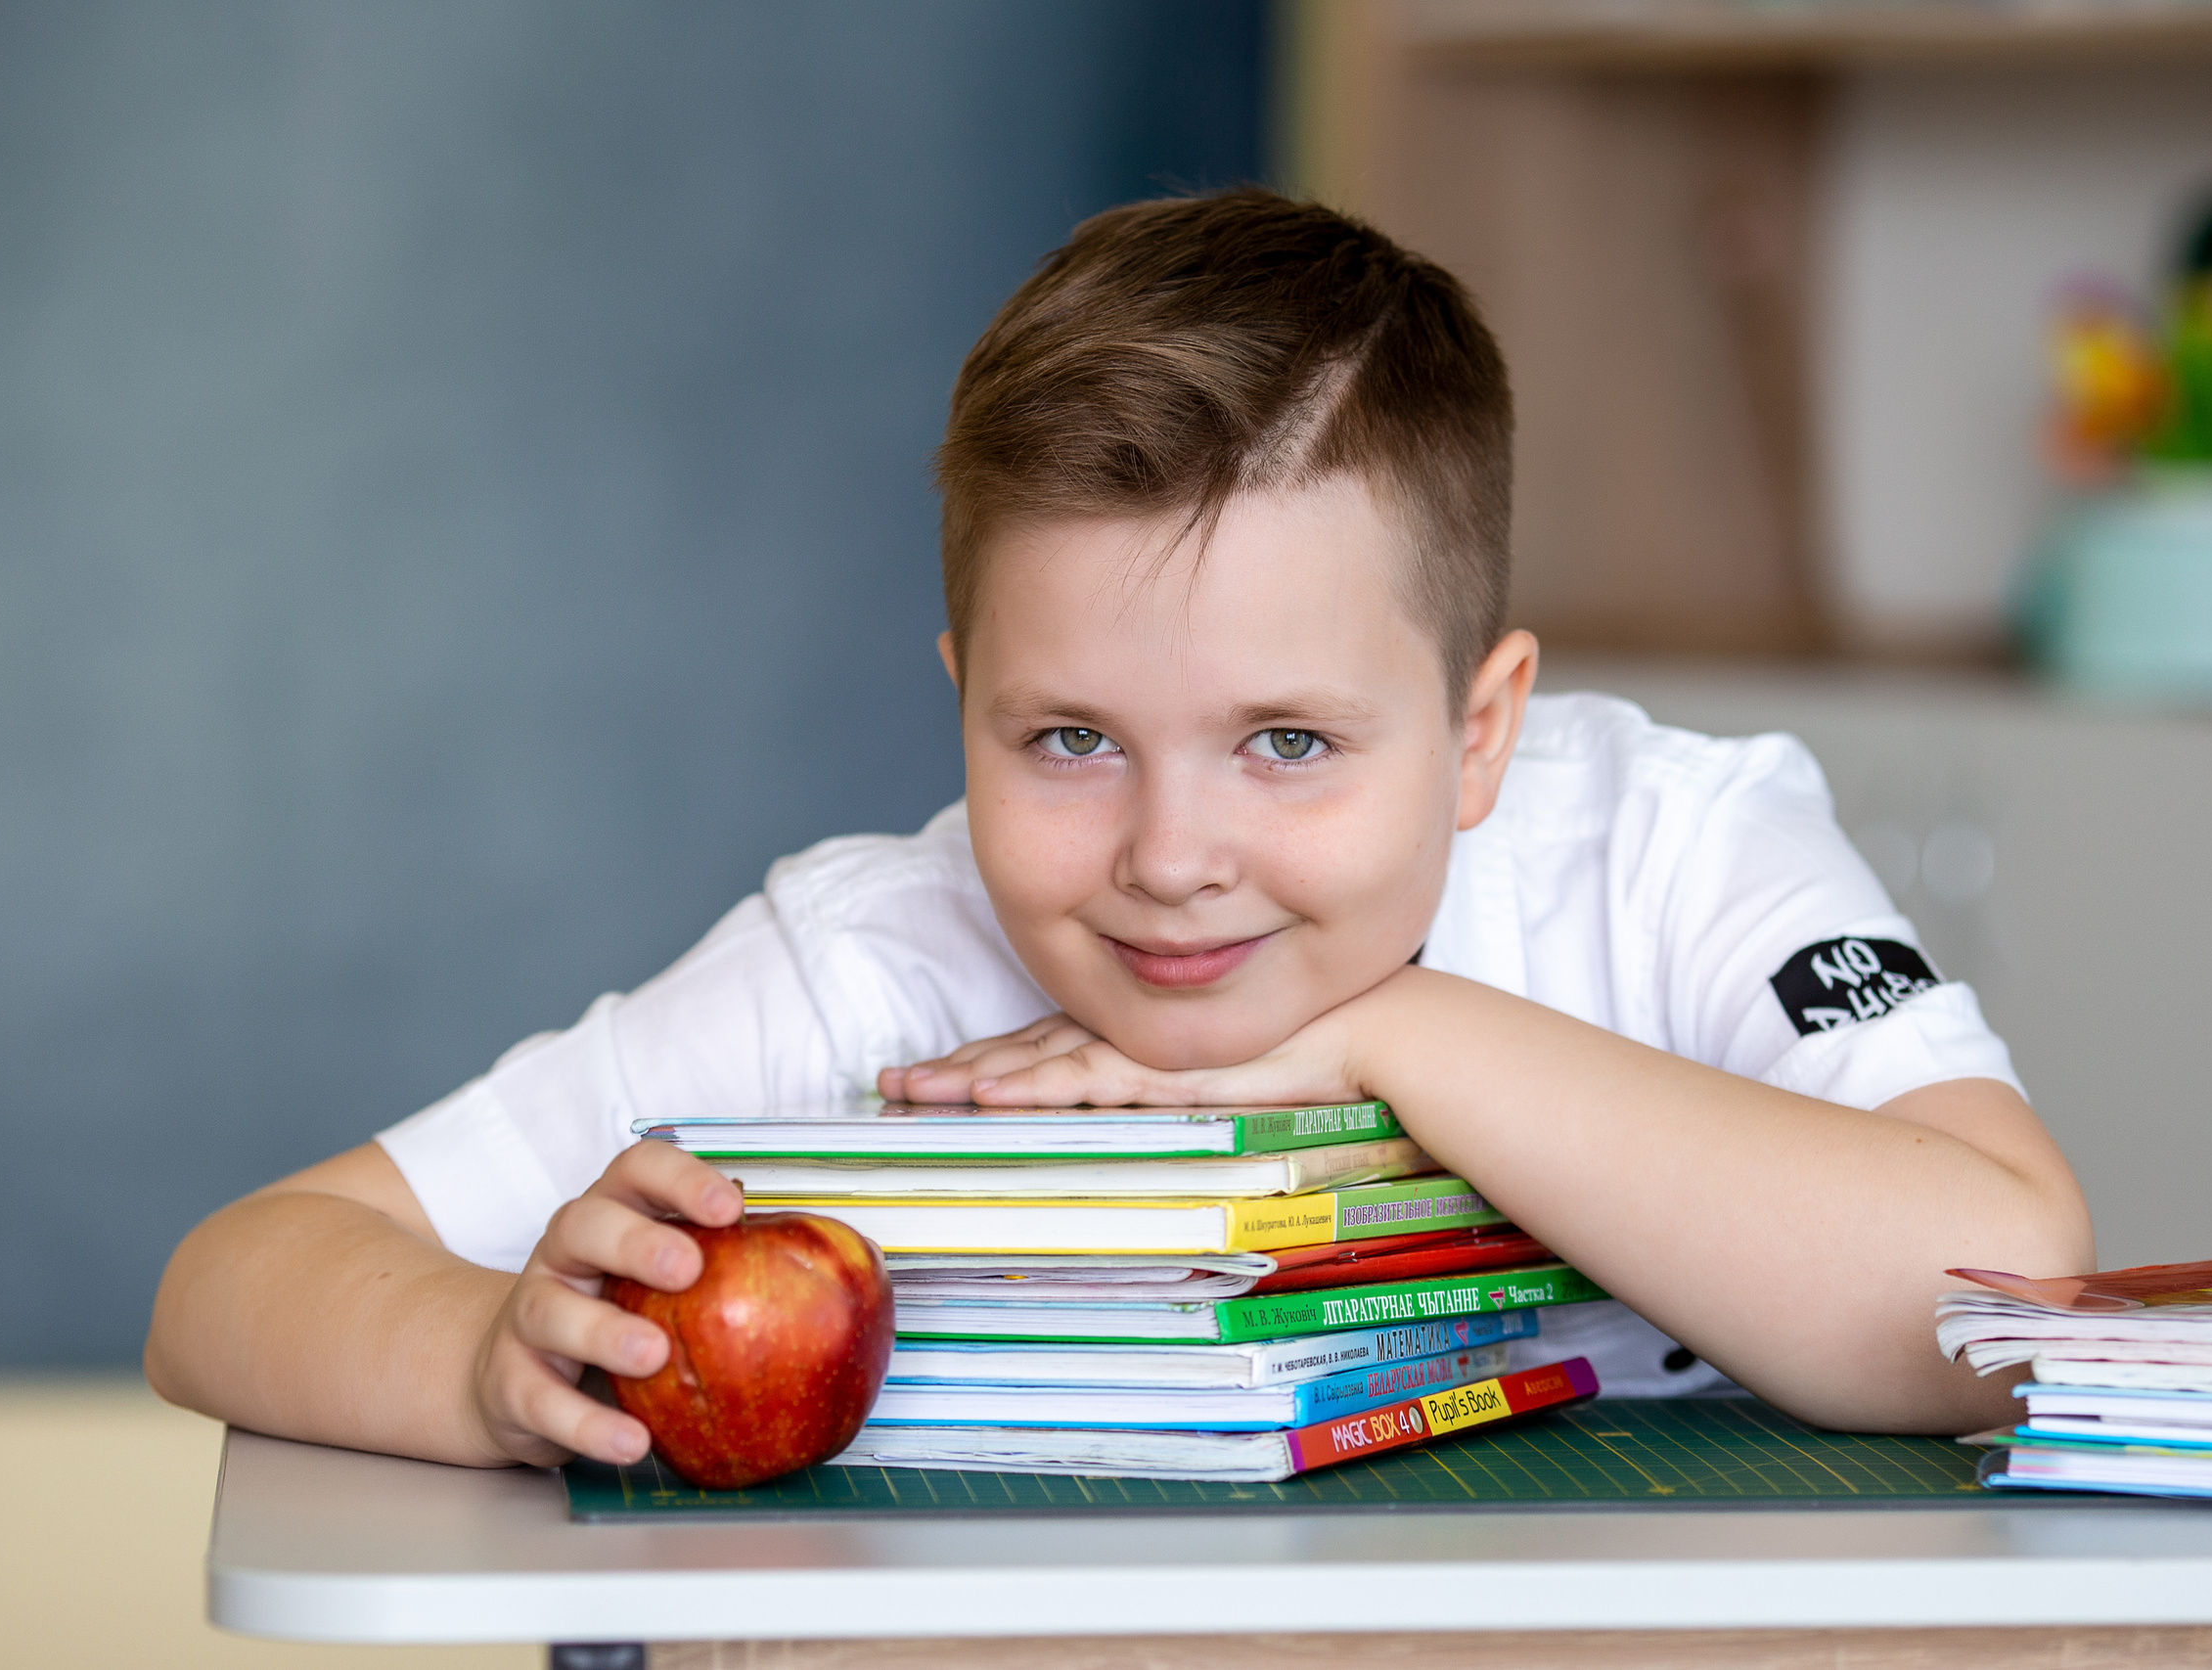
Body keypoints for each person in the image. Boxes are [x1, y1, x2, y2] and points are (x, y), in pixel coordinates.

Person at [145, 190, 2091, 1469]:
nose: (1171, 851)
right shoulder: (873, 960)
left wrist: (1381, 1036)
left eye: (1284, 741)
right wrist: (499, 1354)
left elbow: (1986, 1303)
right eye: (1068, 735)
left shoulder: (1666, 846)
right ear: (958, 697)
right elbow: (234, 1271)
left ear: (1479, 727)